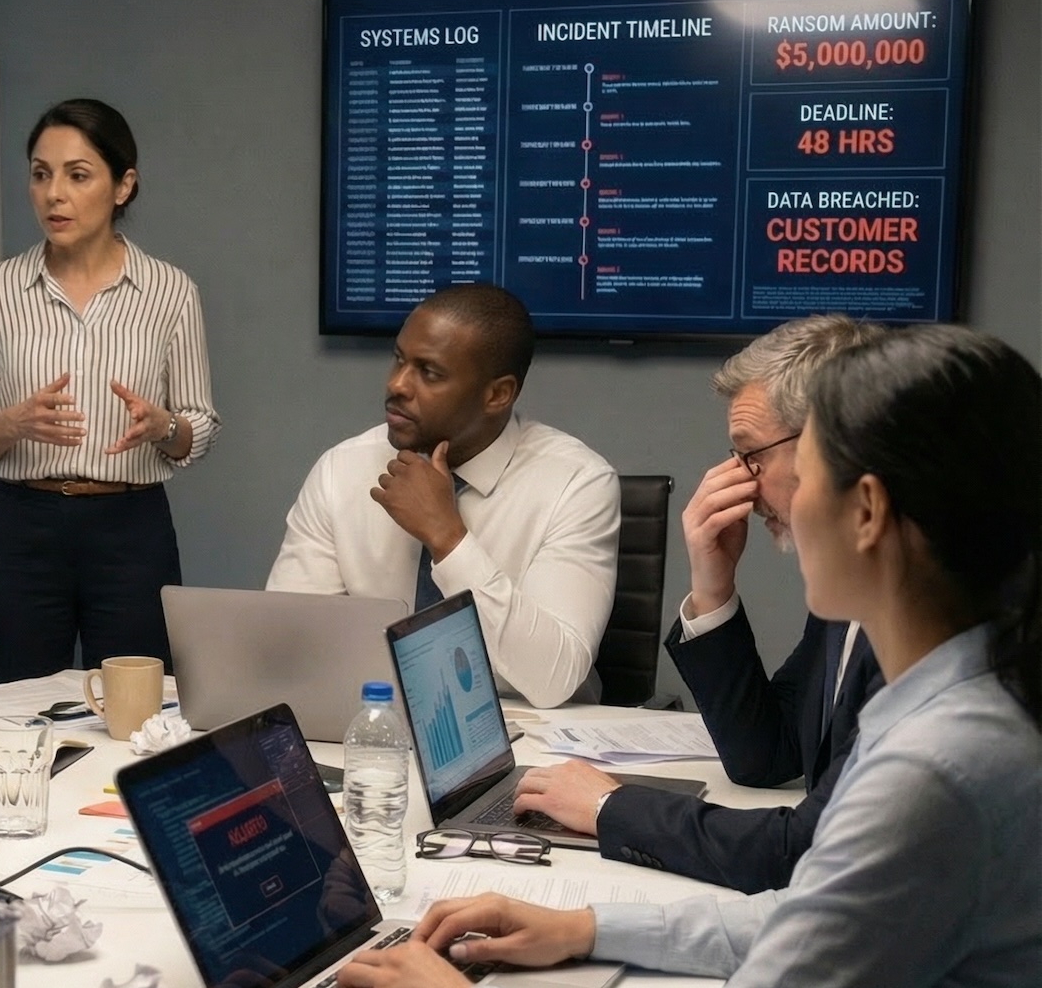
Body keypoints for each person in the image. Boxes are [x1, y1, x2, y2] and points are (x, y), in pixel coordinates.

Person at [337, 324, 1041, 987]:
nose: (752, 491)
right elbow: (810, 912)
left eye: (800, 470)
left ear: (865, 510)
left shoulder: (936, 768)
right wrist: (586, 927)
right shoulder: (966, 697)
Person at [512, 314, 888, 893]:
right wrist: (713, 587)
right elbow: (768, 755)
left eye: (751, 456)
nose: (742, 485)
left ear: (835, 448)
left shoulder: (914, 614)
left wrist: (611, 808)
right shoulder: (849, 591)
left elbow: (808, 850)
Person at [0, 98, 220, 684]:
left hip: (131, 529)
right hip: (24, 527)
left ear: (123, 186)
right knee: (15, 706)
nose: (53, 195)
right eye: (41, 174)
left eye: (77, 175)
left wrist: (164, 426)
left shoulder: (171, 292)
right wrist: (11, 424)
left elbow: (199, 427)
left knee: (136, 709)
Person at [267, 284, 619, 708]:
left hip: (531, 731)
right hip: (374, 719)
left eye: (429, 372)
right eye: (399, 359)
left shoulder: (577, 483)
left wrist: (448, 538)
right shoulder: (342, 469)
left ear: (497, 394)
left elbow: (553, 679)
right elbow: (289, 647)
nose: (397, 384)